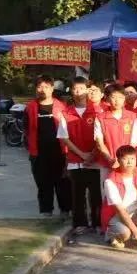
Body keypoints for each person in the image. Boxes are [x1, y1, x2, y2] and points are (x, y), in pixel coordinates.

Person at [57, 78, 101, 232]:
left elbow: (102, 136)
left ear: (88, 90)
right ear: (71, 90)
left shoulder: (97, 111)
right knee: (78, 194)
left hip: (96, 160)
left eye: (82, 88)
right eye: (75, 88)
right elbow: (64, 137)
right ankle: (80, 224)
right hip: (75, 160)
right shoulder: (66, 113)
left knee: (96, 194)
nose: (78, 92)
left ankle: (97, 223)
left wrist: (93, 154)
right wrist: (82, 154)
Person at [26, 76, 71, 218]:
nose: (42, 90)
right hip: (38, 152)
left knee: (63, 182)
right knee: (43, 182)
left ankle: (65, 210)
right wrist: (30, 148)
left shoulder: (62, 106)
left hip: (60, 151)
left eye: (46, 87)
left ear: (52, 88)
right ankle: (46, 211)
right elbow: (26, 129)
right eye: (39, 87)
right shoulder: (30, 107)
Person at [94, 84, 137, 183]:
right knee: (108, 189)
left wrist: (123, 160)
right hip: (107, 163)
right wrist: (110, 159)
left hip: (127, 164)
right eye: (113, 97)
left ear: (124, 98)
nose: (117, 101)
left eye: (120, 97)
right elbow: (99, 143)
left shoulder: (132, 116)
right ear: (107, 98)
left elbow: (134, 141)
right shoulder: (100, 118)